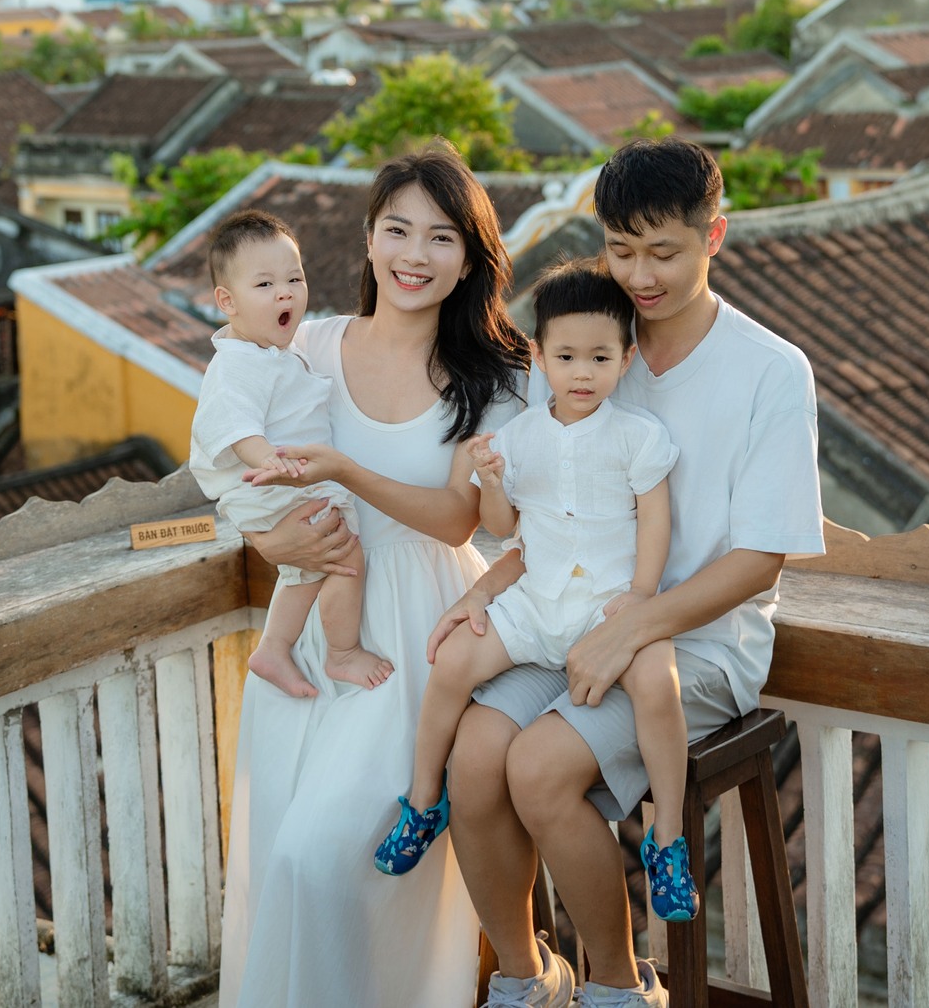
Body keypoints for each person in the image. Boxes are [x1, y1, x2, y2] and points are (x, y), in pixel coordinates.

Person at [441, 139, 827, 1008]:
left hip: (697, 646)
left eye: (664, 252)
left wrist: (633, 628)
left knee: (538, 768)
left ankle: (620, 989)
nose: (641, 276)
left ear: (713, 236)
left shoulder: (769, 371)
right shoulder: (584, 348)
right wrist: (484, 591)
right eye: (621, 250)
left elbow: (759, 558)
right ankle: (526, 978)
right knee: (473, 756)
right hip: (568, 621)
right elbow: (535, 515)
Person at [218, 145, 530, 1008]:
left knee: (323, 862)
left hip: (419, 626)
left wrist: (348, 473)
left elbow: (460, 519)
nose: (414, 255)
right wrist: (270, 542)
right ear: (367, 238)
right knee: (283, 853)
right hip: (311, 623)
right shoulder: (306, 344)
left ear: (469, 259)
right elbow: (233, 450)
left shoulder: (493, 378)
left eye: (440, 237)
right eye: (397, 230)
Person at [373, 261, 699, 933]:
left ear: (625, 359)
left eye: (601, 358)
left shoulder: (638, 436)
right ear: (541, 356)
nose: (583, 372)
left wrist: (642, 597)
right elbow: (503, 529)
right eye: (567, 356)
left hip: (610, 607)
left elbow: (655, 522)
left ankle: (667, 837)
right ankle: (425, 799)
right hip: (535, 604)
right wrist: (492, 481)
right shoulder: (518, 437)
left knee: (657, 681)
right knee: (454, 661)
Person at [186, 208, 390, 697]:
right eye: (265, 284)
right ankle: (341, 653)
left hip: (283, 481)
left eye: (294, 279)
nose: (285, 293)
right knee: (345, 555)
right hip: (268, 481)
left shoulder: (277, 350)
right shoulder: (235, 364)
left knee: (310, 566)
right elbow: (236, 429)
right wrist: (269, 460)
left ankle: (274, 648)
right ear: (227, 301)